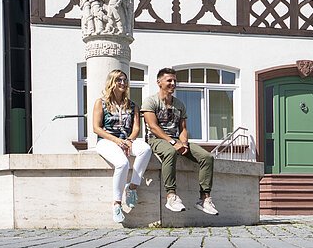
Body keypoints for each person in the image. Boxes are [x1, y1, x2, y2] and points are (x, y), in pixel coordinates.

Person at [141, 67, 219, 215]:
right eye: (169, 80)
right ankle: (171, 196)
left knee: (207, 157)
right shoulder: (150, 101)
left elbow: (183, 128)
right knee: (171, 152)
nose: (173, 83)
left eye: (174, 81)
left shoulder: (179, 104)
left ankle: (204, 199)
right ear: (159, 82)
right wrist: (173, 143)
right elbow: (153, 127)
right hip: (155, 139)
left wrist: (183, 143)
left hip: (175, 139)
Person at [91, 68, 153, 224]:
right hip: (106, 141)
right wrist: (117, 141)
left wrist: (129, 140)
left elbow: (136, 128)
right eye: (119, 80)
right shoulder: (101, 102)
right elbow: (96, 128)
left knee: (145, 149)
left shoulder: (132, 105)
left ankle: (132, 187)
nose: (123, 83)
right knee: (122, 163)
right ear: (112, 82)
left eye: (125, 80)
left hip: (127, 139)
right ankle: (117, 204)